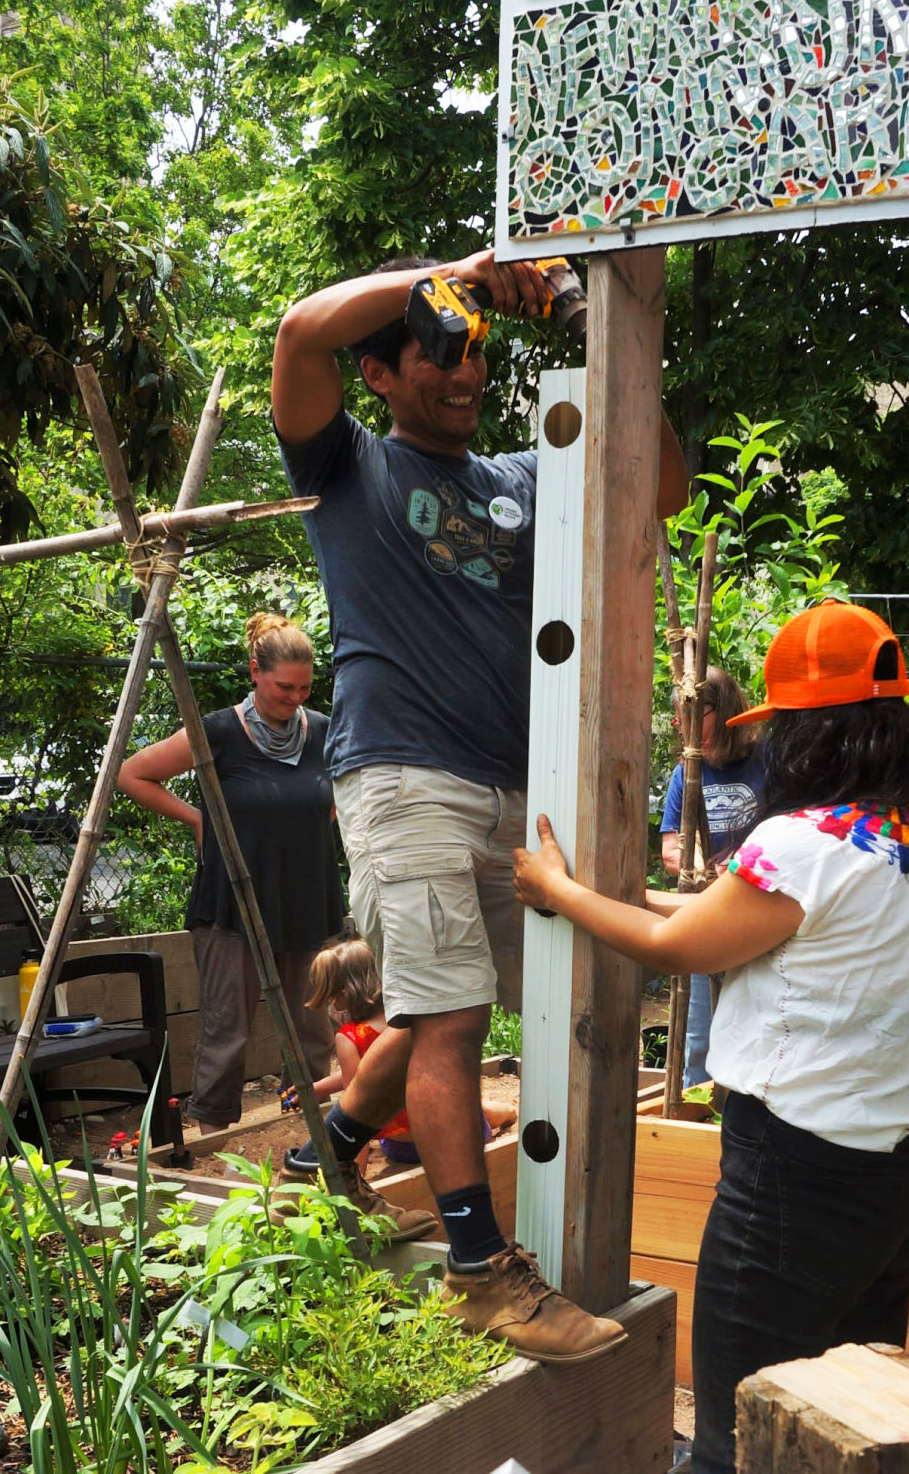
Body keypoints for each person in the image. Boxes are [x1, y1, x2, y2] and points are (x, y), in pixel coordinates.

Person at [271, 248, 687, 1357]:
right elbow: (299, 328)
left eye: (475, 355)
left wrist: (608, 327)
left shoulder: (524, 470)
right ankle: (482, 1271)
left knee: (451, 1001)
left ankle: (329, 1144)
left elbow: (664, 486)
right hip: (401, 769)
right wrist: (452, 272)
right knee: (452, 1014)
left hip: (516, 778)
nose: (466, 374)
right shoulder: (345, 467)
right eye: (439, 353)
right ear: (384, 373)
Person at [513, 600, 909, 1472]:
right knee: (852, 1422)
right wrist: (609, 893)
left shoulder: (801, 840)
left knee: (736, 1442)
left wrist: (557, 889)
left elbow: (677, 948)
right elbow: (736, 920)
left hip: (795, 1184)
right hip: (903, 1177)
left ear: (810, 732)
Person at [116, 612, 342, 1133]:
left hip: (307, 898)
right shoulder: (216, 731)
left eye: (306, 687)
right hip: (230, 903)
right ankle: (213, 1136)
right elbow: (133, 774)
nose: (296, 698)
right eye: (285, 686)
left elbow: (334, 800)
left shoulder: (324, 732)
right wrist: (198, 818)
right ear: (255, 672)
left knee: (311, 1026)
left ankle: (304, 1128)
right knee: (227, 1026)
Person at [304, 934, 519, 1167]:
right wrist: (320, 1087)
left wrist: (357, 1174)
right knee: (475, 1111)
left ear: (343, 996)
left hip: (410, 1149)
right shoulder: (415, 1020)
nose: (333, 1008)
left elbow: (356, 1108)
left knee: (384, 1128)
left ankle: (503, 1112)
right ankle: (508, 1112)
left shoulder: (350, 1039)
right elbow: (374, 1070)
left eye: (332, 1000)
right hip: (465, 1134)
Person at [659, 666, 764, 1090]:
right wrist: (701, 864)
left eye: (690, 714)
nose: (681, 726)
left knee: (759, 1022)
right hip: (704, 913)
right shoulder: (686, 774)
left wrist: (740, 867)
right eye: (678, 717)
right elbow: (671, 849)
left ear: (721, 712)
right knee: (699, 1034)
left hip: (759, 918)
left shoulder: (766, 761)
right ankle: (697, 1109)